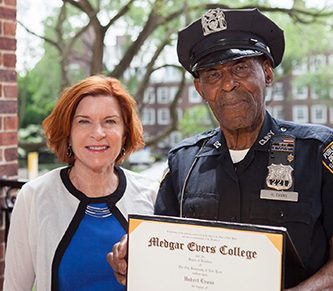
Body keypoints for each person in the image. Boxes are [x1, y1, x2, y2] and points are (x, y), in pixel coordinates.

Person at [108, 7, 333, 290]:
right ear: (200, 89)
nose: (228, 84)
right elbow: (162, 250)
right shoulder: (183, 163)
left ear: (266, 72)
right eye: (213, 75)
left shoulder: (316, 153)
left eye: (240, 68)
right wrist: (135, 255)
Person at [3, 75, 158, 291]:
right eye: (84, 121)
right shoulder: (34, 197)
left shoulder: (152, 194)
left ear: (124, 134)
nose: (98, 133)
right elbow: (15, 288)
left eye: (110, 121)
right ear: (68, 133)